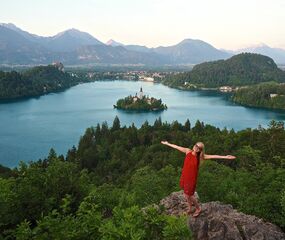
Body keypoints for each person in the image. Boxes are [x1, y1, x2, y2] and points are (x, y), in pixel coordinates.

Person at [161, 141, 236, 217]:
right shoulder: (188, 151)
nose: (196, 148)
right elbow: (177, 146)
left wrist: (226, 157)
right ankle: (190, 208)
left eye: (199, 148)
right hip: (185, 176)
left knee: (189, 195)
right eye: (196, 145)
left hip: (191, 178)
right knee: (186, 194)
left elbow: (214, 156)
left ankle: (198, 208)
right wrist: (167, 143)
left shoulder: (200, 157)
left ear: (200, 150)